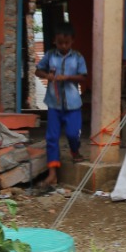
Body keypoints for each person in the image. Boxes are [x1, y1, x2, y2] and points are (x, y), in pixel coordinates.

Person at [35, 22, 88, 185]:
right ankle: (52, 174)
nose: (63, 46)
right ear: (54, 41)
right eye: (60, 43)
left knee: (73, 134)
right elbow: (38, 70)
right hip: (54, 104)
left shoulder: (78, 57)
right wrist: (47, 76)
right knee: (52, 137)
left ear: (72, 41)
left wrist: (67, 78)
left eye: (66, 43)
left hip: (73, 104)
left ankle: (74, 150)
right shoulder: (50, 55)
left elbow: (83, 77)